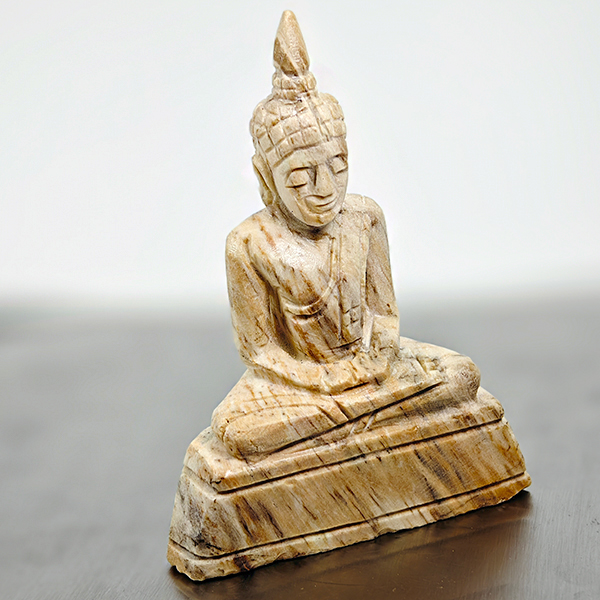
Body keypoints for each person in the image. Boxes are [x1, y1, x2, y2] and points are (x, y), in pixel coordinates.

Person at [211, 11, 476, 459]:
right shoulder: (250, 243)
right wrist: (322, 380)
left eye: (337, 166)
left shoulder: (364, 218)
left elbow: (385, 315)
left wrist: (379, 357)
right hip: (301, 386)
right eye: (300, 177)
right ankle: (364, 425)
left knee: (461, 375)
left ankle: (349, 427)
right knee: (239, 433)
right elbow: (259, 351)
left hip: (371, 370)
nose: (325, 188)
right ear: (265, 176)